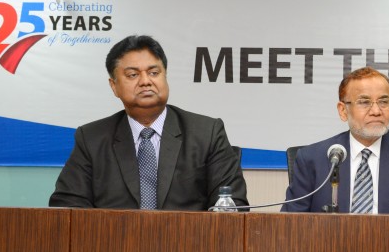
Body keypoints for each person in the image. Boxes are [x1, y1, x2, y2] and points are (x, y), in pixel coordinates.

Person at [49, 35, 247, 210]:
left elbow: (233, 205)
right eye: (133, 75)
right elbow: (67, 205)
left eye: (154, 73)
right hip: (115, 247)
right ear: (114, 86)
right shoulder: (92, 138)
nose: (145, 81)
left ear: (165, 76)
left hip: (189, 248)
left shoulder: (206, 133)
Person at [281, 66, 389, 214]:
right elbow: (289, 226)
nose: (376, 110)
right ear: (343, 111)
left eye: (383, 101)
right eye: (364, 102)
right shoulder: (312, 159)